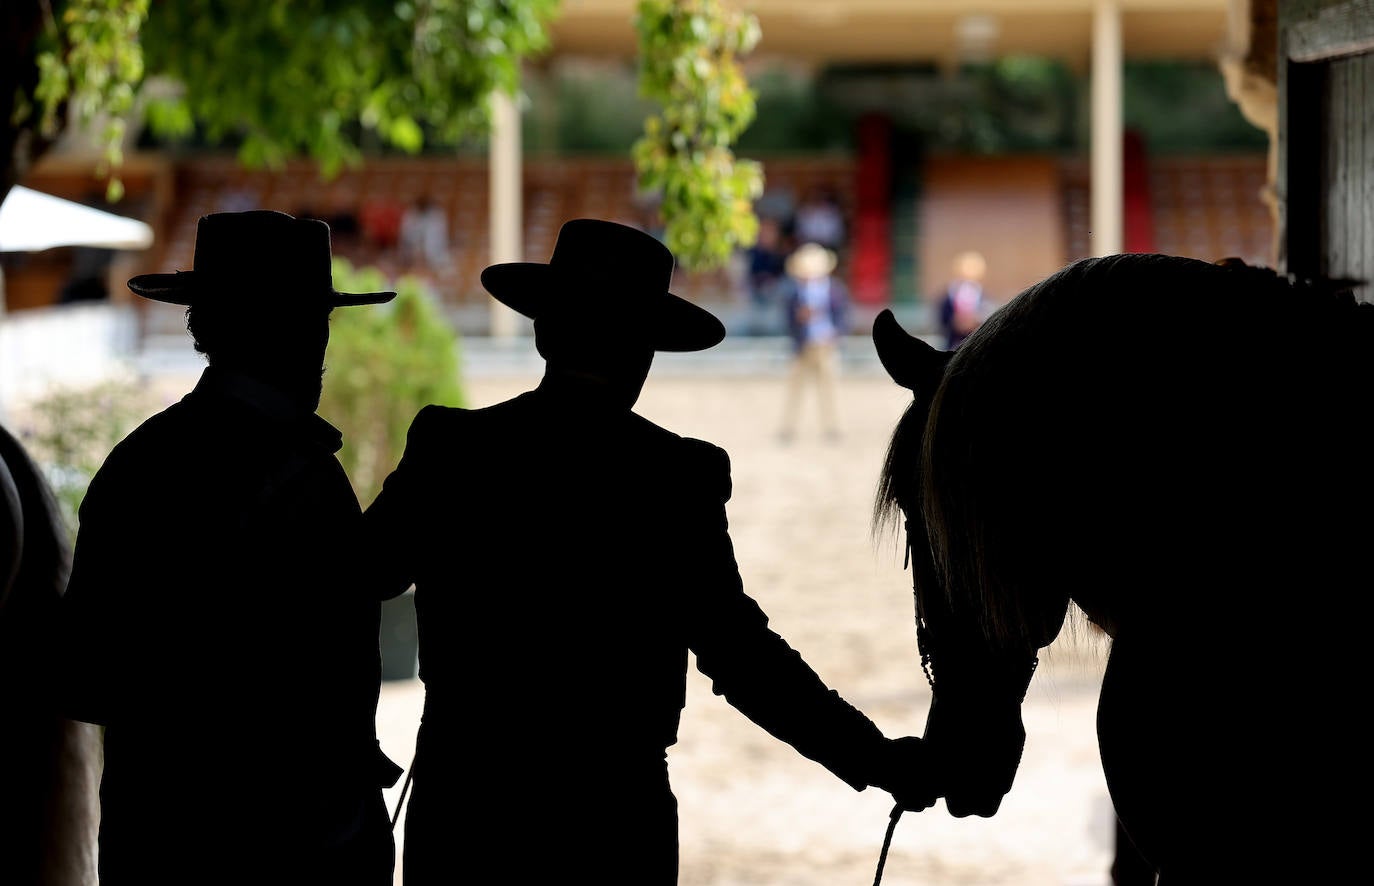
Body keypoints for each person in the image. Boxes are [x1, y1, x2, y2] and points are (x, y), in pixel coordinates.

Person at [364, 218, 934, 885]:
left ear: (544, 331)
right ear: (645, 353)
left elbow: (354, 576)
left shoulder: (452, 448)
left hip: (463, 816)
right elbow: (743, 658)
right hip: (613, 824)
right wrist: (875, 758)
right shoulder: (675, 478)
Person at [55, 210, 403, 886]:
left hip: (158, 849)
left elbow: (83, 680)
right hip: (300, 854)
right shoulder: (310, 475)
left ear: (203, 327)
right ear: (308, 331)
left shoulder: (136, 464)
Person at [778, 241, 849, 443]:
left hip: (826, 345)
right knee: (795, 388)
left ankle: (833, 427)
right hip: (803, 345)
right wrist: (799, 320)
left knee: (830, 388)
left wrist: (835, 333)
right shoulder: (795, 292)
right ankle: (788, 427)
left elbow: (843, 317)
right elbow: (788, 319)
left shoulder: (834, 290)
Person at [936, 250, 989, 350]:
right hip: (953, 343)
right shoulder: (949, 294)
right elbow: (942, 319)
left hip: (974, 344)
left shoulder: (982, 295)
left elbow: (986, 317)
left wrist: (976, 321)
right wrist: (954, 322)